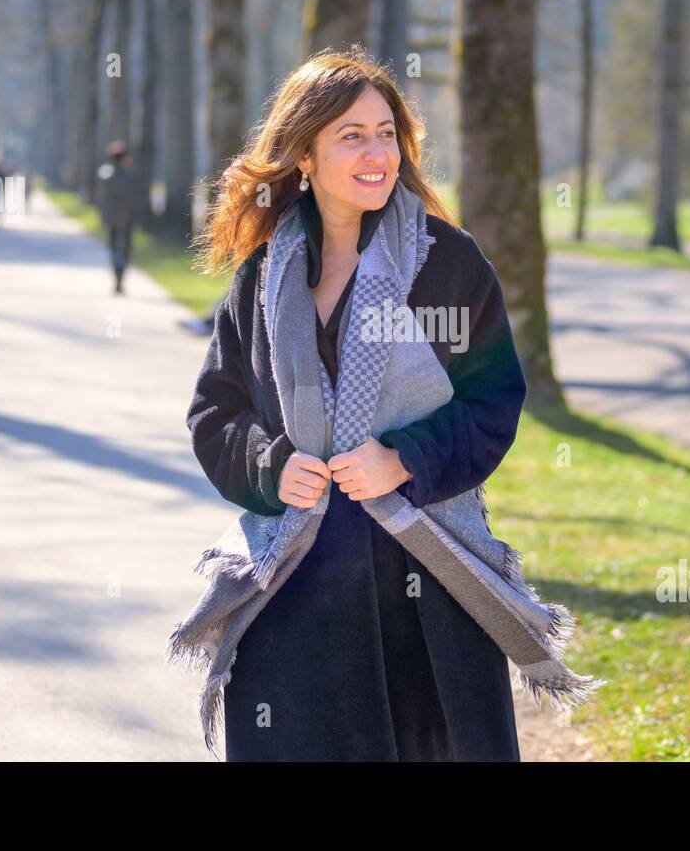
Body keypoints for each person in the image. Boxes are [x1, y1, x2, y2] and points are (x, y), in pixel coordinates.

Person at [185, 47, 528, 761]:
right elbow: (216, 412)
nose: (378, 153)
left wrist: (405, 459)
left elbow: (494, 399)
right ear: (303, 154)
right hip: (296, 588)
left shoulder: (445, 262)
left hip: (424, 587)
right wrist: (271, 467)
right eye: (352, 135)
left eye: (386, 133)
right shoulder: (265, 277)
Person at [98, 141, 138, 294]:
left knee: (114, 250)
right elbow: (135, 201)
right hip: (127, 220)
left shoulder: (106, 176)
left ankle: (117, 277)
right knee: (125, 251)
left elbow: (103, 202)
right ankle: (120, 278)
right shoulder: (130, 177)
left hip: (112, 220)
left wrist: (104, 219)